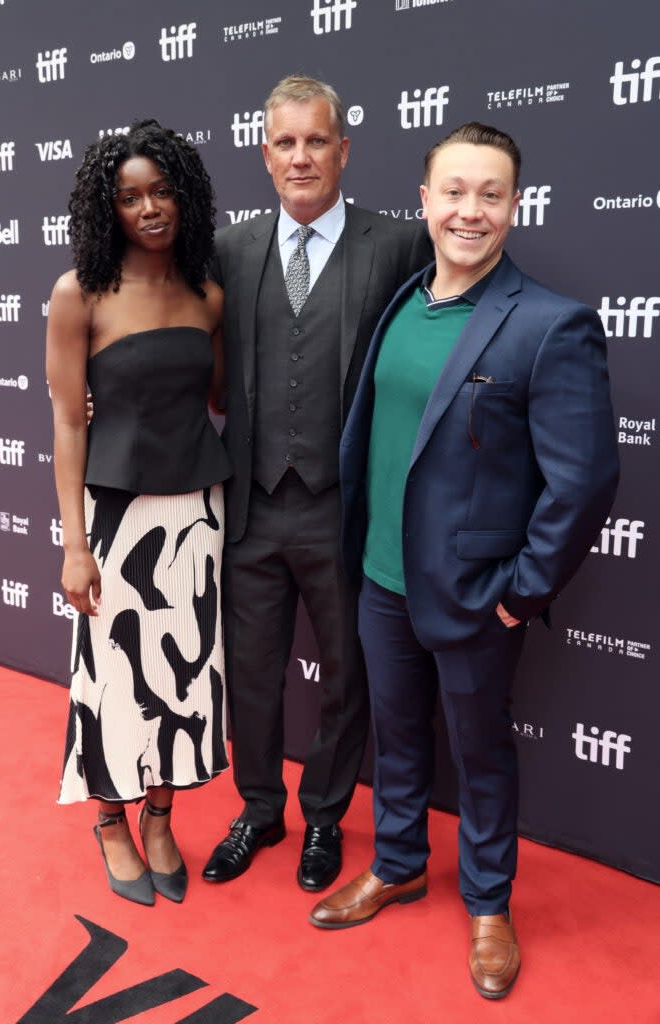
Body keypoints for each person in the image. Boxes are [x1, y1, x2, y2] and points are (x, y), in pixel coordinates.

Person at [308, 123, 619, 999]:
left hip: (479, 595)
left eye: (489, 194)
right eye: (453, 192)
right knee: (398, 736)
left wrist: (521, 593)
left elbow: (585, 481)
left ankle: (487, 904)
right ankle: (400, 861)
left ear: (514, 206)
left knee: (480, 754)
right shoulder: (404, 300)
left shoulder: (550, 324)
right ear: (424, 201)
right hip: (380, 578)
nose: (468, 211)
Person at [202, 75, 432, 892]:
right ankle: (260, 809)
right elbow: (180, 345)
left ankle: (325, 819)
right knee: (253, 672)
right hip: (252, 507)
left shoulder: (399, 244)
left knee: (346, 676)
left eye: (315, 140)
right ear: (264, 156)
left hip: (346, 510)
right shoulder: (227, 250)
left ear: (343, 148)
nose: (300, 157)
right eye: (284, 143)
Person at [47, 119, 231, 906]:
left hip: (197, 511)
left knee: (186, 678)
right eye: (129, 198)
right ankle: (113, 821)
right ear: (106, 209)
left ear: (184, 196)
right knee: (113, 678)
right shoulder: (78, 293)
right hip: (114, 522)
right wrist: (74, 544)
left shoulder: (208, 293)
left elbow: (219, 397)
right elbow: (65, 420)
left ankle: (162, 817)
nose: (149, 209)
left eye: (161, 192)